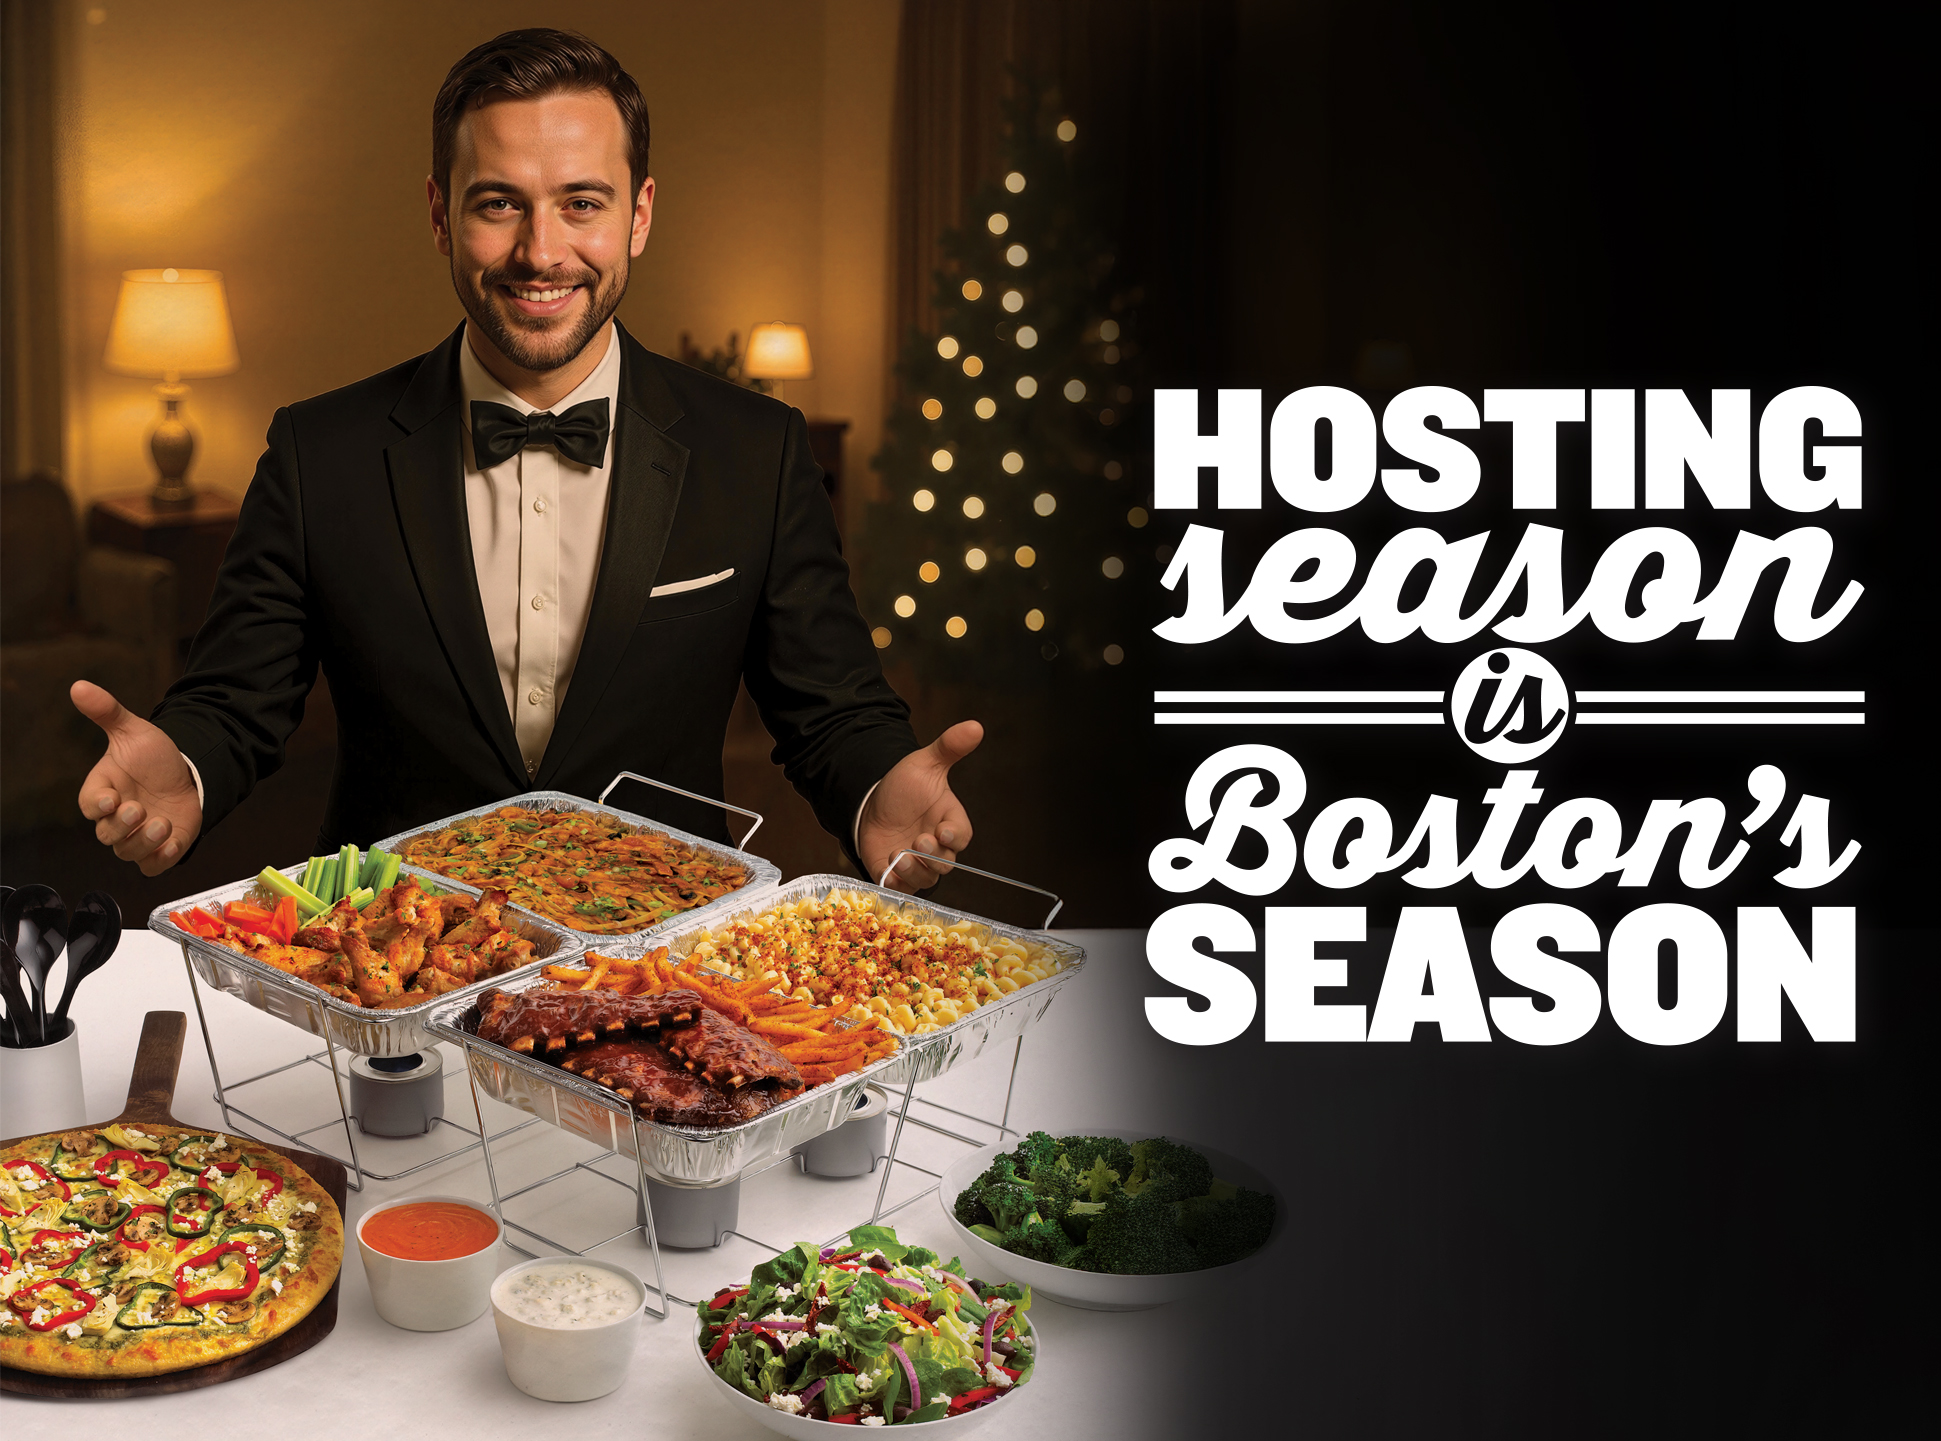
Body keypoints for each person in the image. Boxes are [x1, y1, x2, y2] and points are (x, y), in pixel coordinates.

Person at [68, 28, 978, 891]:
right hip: (389, 957)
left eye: (582, 203)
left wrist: (872, 794)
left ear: (640, 214)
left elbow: (830, 708)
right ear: (439, 213)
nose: (541, 253)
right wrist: (185, 767)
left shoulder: (757, 450)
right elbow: (238, 697)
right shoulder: (319, 453)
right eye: (498, 203)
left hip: (664, 953)